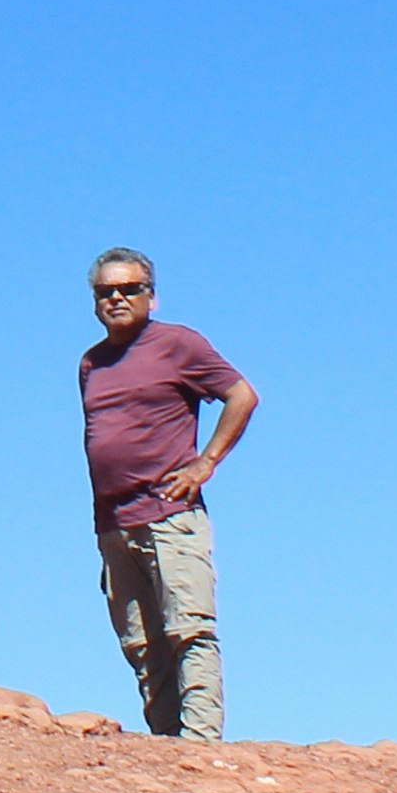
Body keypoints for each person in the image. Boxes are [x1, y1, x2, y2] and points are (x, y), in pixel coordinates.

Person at [79, 246, 255, 742]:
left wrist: (207, 463)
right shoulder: (92, 363)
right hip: (114, 523)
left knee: (189, 630)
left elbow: (242, 395)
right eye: (105, 292)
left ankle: (200, 746)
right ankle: (166, 748)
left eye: (128, 289)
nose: (116, 298)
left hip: (170, 515)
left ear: (150, 297)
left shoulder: (179, 345)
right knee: (141, 642)